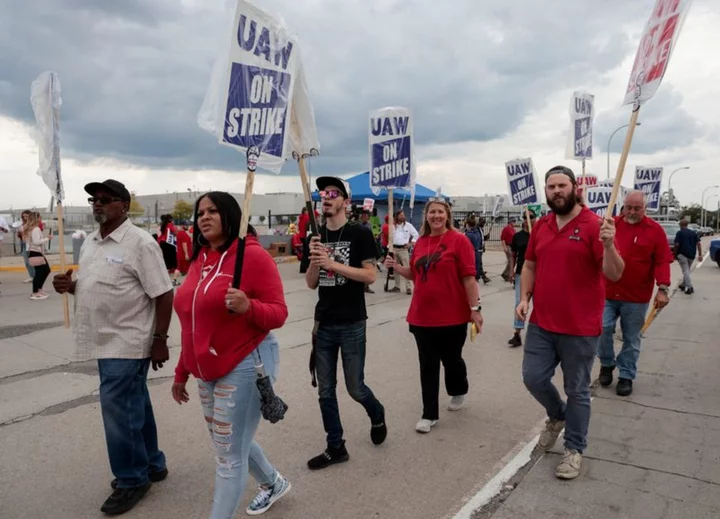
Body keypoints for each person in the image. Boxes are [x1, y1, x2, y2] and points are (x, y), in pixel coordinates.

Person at [52, 179, 174, 515]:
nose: (97, 204)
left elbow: (163, 293)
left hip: (128, 341)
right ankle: (152, 464)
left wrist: (160, 341)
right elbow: (99, 286)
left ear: (124, 204)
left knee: (119, 415)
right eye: (93, 199)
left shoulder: (140, 243)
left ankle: (131, 479)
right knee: (136, 406)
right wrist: (70, 286)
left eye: (105, 199)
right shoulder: (92, 242)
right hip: (103, 341)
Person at [172, 192, 291, 518]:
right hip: (206, 367)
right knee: (227, 440)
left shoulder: (252, 257)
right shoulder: (201, 258)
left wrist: (248, 306)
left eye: (212, 211)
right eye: (200, 213)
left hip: (245, 362)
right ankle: (273, 482)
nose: (204, 217)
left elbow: (279, 313)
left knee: (228, 454)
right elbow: (191, 320)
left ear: (230, 215)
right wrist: (182, 371)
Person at [516, 165, 624, 480]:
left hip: (580, 327)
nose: (556, 191)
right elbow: (530, 265)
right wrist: (524, 298)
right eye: (551, 187)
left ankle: (574, 449)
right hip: (542, 323)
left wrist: (608, 244)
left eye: (562, 185)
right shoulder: (543, 224)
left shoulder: (594, 225)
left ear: (575, 188)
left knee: (577, 389)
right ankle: (558, 416)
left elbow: (615, 273)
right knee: (533, 378)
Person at [302, 176, 387, 470]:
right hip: (324, 323)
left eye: (333, 192)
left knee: (355, 388)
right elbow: (312, 283)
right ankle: (335, 446)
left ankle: (377, 413)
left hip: (352, 322)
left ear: (345, 202)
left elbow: (371, 276)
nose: (326, 196)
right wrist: (315, 259)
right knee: (325, 391)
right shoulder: (314, 237)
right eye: (322, 192)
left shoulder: (359, 233)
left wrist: (333, 264)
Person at [386, 199, 483, 433]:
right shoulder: (420, 243)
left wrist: (475, 309)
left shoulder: (459, 241)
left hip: (453, 316)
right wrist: (397, 267)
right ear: (426, 216)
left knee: (452, 360)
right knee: (427, 364)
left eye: (440, 212)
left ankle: (458, 389)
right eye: (432, 212)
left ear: (447, 215)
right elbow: (415, 273)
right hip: (421, 316)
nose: (436, 216)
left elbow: (469, 278)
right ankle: (429, 414)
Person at [599, 191, 673, 397]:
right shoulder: (610, 225)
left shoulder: (655, 231)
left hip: (636, 296)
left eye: (636, 208)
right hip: (607, 292)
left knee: (631, 338)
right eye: (628, 207)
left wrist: (663, 288)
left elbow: (662, 261)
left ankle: (626, 375)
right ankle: (606, 363)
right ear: (623, 206)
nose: (631, 212)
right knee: (602, 328)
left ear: (645, 208)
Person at [508, 209, 535, 347]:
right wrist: (511, 270)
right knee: (520, 302)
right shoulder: (518, 236)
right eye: (525, 217)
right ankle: (517, 333)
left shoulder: (539, 234)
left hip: (540, 274)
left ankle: (542, 333)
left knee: (541, 304)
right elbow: (513, 254)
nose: (528, 219)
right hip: (521, 273)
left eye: (531, 217)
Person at [390, 210, 419, 295]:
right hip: (394, 249)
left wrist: (411, 243)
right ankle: (397, 286)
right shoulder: (392, 226)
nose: (403, 216)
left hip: (403, 249)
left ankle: (408, 287)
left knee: (407, 268)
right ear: (396, 216)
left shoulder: (408, 226)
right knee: (395, 268)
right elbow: (390, 238)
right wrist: (389, 249)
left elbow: (416, 235)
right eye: (400, 215)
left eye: (403, 215)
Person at [23, 212, 51, 300]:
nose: (41, 218)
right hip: (36, 252)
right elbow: (36, 242)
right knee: (40, 273)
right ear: (36, 218)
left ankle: (39, 289)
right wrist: (47, 238)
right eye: (40, 217)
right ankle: (35, 292)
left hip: (37, 252)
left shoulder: (34, 229)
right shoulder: (35, 229)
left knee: (45, 270)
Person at [674, 219, 702, 295]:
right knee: (687, 270)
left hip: (682, 254)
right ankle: (683, 285)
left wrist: (675, 253)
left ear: (680, 225)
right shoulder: (693, 233)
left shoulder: (679, 233)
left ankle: (689, 287)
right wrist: (700, 254)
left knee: (685, 271)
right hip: (692, 255)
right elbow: (699, 244)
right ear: (687, 225)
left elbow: (677, 244)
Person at [464, 216, 491, 285]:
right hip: (476, 250)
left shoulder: (480, 230)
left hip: (480, 248)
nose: (483, 223)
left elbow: (480, 239)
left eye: (484, 222)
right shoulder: (475, 230)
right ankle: (482, 276)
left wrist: (485, 237)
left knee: (479, 263)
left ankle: (480, 275)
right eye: (482, 222)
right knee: (478, 264)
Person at [158, 214, 179, 285]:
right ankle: (174, 280)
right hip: (169, 244)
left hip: (162, 244)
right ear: (170, 219)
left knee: (165, 263)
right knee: (173, 263)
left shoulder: (162, 225)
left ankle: (164, 281)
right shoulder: (170, 225)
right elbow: (176, 233)